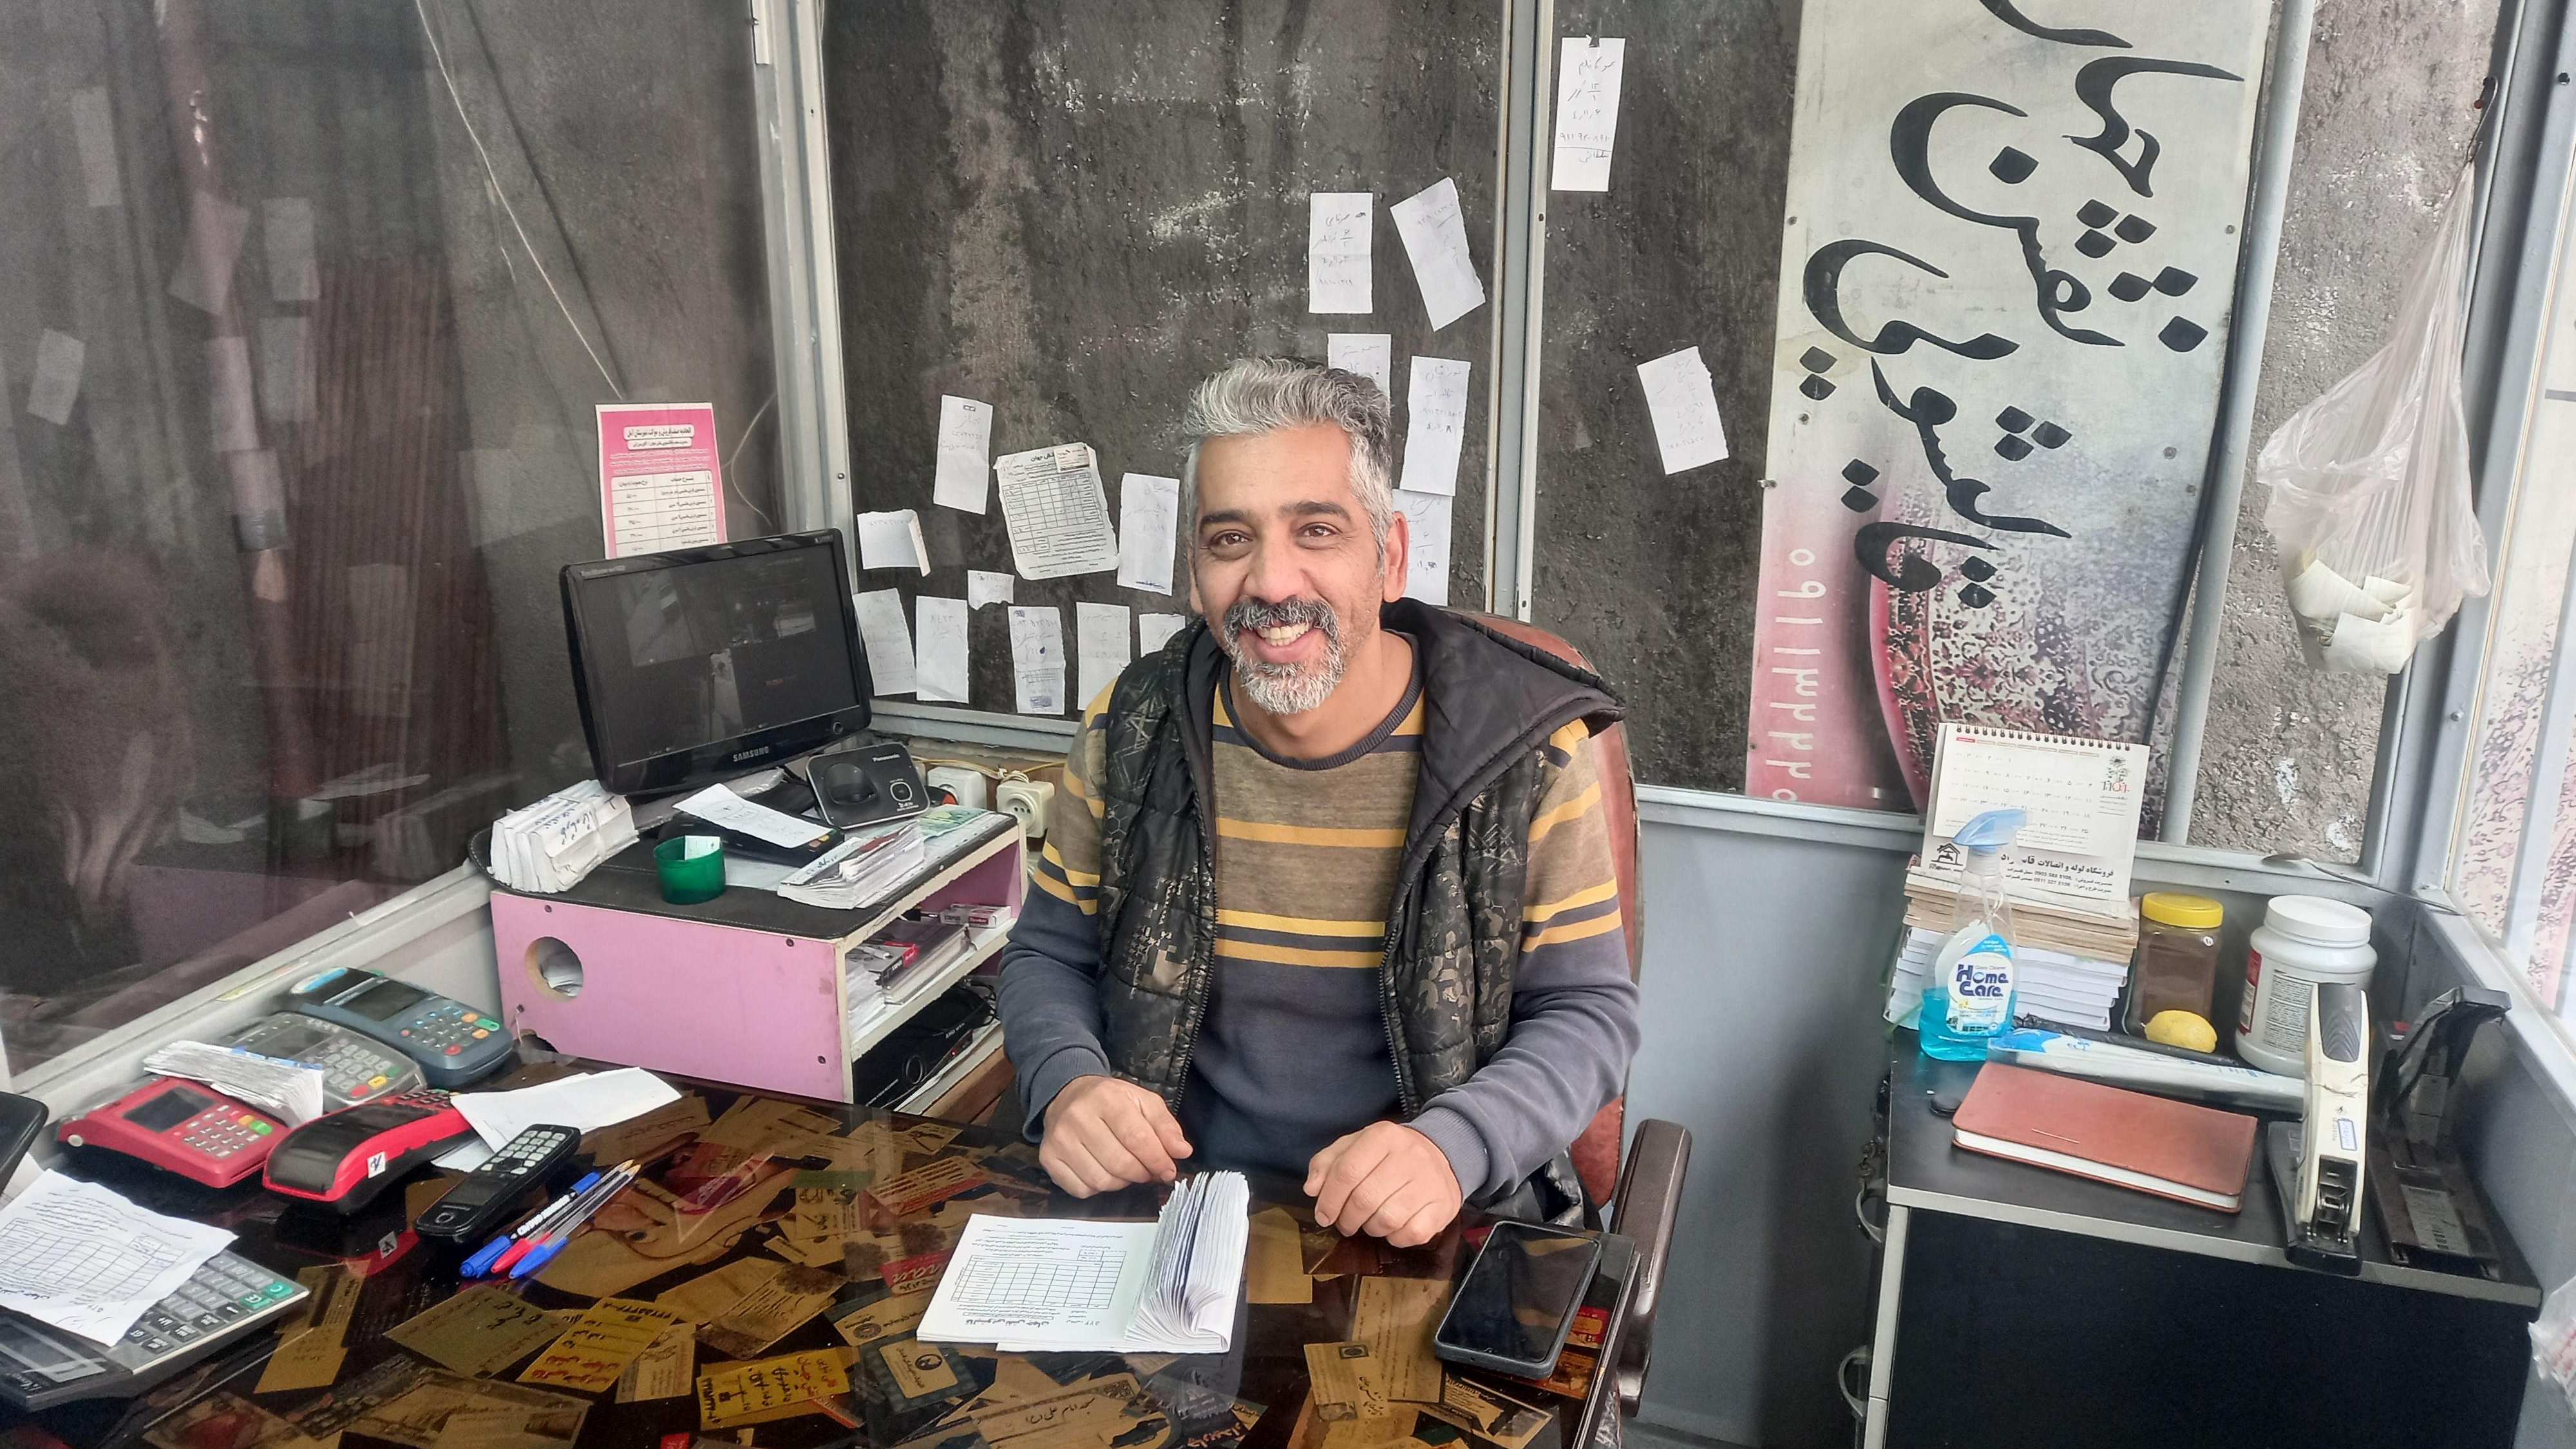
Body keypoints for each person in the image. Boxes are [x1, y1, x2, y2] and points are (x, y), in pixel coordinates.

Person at [996, 356, 1640, 1247]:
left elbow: (1590, 1014)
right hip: (1174, 1214)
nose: (1271, 582)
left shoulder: (1525, 752)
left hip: (1429, 1227)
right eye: (1231, 539)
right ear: (1196, 571)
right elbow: (1045, 956)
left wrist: (1454, 1146)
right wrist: (1067, 1081)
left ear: (1391, 556)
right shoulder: (1131, 729)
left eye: (1318, 530)